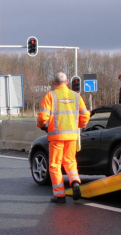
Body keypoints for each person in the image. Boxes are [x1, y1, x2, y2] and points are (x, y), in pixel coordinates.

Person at [37, 72, 91, 203]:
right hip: (72, 136)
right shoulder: (76, 96)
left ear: (55, 83)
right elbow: (85, 115)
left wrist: (42, 126)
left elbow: (43, 117)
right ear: (67, 82)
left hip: (56, 136)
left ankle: (60, 195)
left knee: (55, 165)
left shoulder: (50, 96)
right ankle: (75, 181)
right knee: (70, 161)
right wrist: (80, 125)